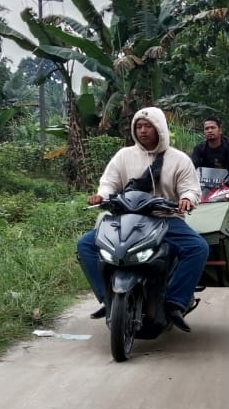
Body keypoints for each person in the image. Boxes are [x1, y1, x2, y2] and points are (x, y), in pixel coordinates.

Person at [76, 106, 208, 333]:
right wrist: (102, 195)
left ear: (160, 129)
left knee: (198, 248)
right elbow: (109, 184)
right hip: (127, 217)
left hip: (166, 219)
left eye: (148, 126)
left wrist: (187, 199)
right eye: (139, 126)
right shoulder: (124, 156)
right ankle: (106, 299)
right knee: (86, 244)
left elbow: (190, 188)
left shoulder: (179, 159)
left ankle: (175, 303)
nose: (143, 130)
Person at [191, 115, 229, 247]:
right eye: (206, 128)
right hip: (206, 185)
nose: (209, 130)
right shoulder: (199, 148)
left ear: (220, 130)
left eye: (212, 127)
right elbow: (191, 167)